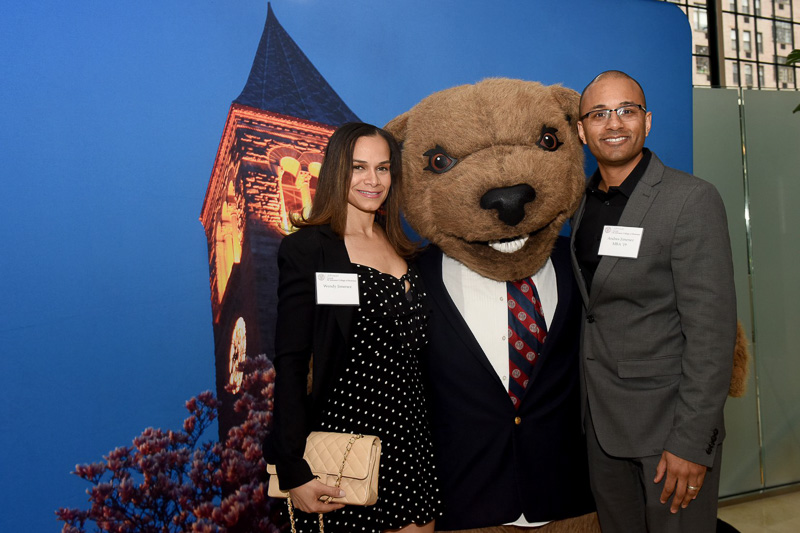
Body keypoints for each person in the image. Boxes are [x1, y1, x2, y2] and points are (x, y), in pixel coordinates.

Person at [570, 70, 737, 533]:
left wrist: (691, 442)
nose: (614, 123)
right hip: (602, 425)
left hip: (668, 430)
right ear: (582, 131)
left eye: (627, 110)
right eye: (599, 114)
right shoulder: (582, 204)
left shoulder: (691, 200)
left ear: (648, 121)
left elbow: (713, 332)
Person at [264, 122, 439, 532]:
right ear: (336, 170)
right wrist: (294, 469)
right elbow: (290, 363)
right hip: (347, 450)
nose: (372, 180)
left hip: (412, 441)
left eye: (383, 168)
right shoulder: (308, 249)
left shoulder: (405, 248)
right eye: (359, 167)